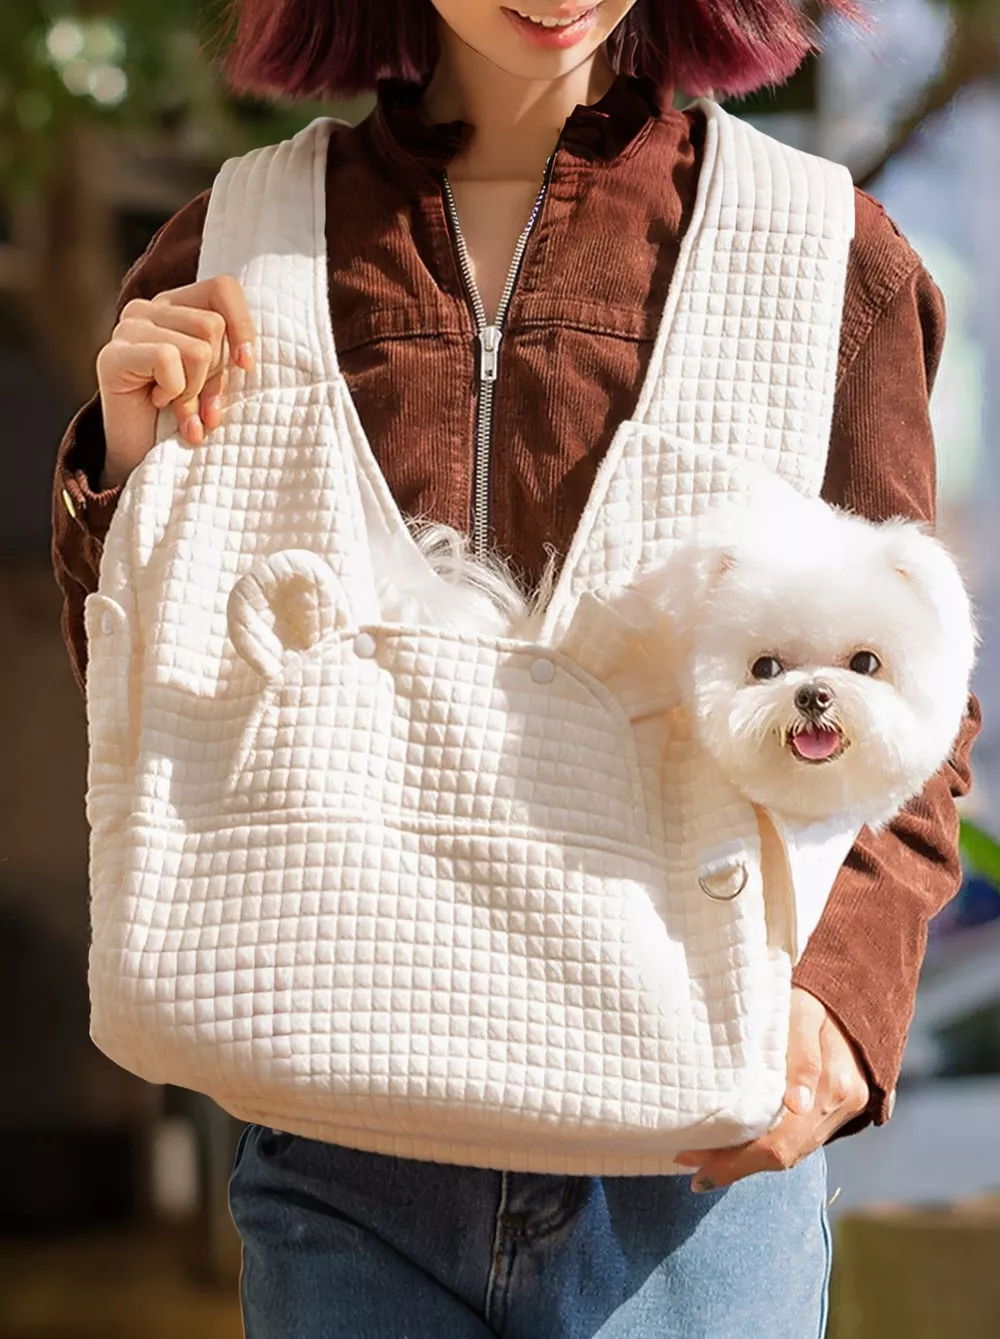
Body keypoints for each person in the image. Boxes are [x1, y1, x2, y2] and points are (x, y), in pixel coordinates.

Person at [51, 2, 979, 1335]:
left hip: (689, 1171)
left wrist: (843, 1001)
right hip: (339, 1139)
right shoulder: (235, 246)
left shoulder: (823, 253)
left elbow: (919, 689)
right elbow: (156, 697)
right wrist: (130, 471)